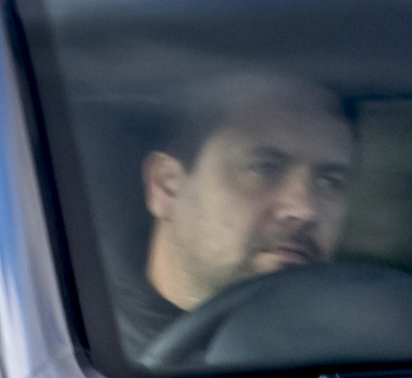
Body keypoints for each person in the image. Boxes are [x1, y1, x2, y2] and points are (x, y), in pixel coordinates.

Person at [117, 72, 356, 348]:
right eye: (265, 168)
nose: (305, 209)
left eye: (330, 181)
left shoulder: (361, 354)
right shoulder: (83, 361)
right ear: (166, 186)